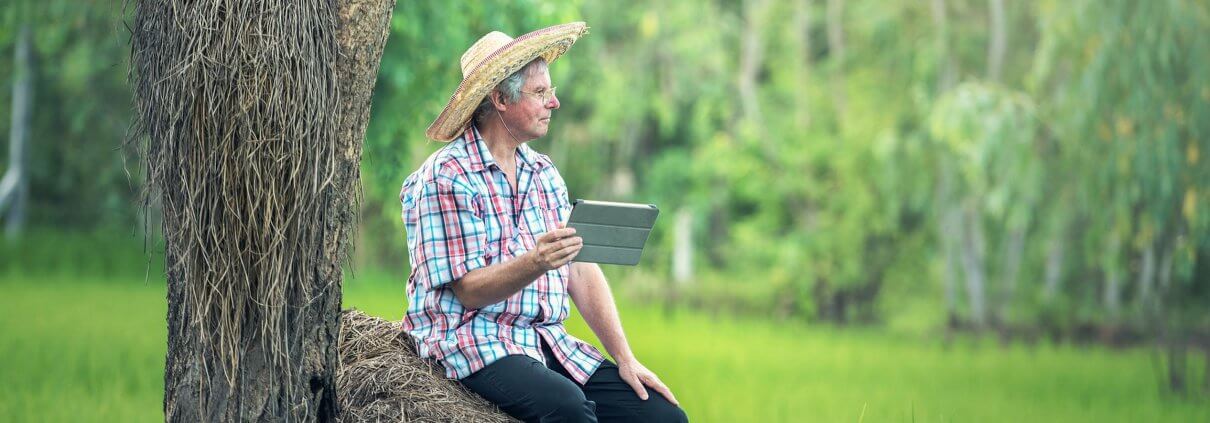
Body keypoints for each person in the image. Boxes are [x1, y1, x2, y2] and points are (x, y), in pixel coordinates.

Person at [399, 22, 688, 422]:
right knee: (567, 408)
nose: (554, 103)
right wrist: (535, 262)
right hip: (472, 340)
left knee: (662, 417)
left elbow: (581, 272)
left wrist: (625, 358)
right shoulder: (445, 177)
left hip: (544, 340)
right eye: (540, 93)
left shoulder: (544, 173)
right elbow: (467, 291)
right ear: (500, 98)